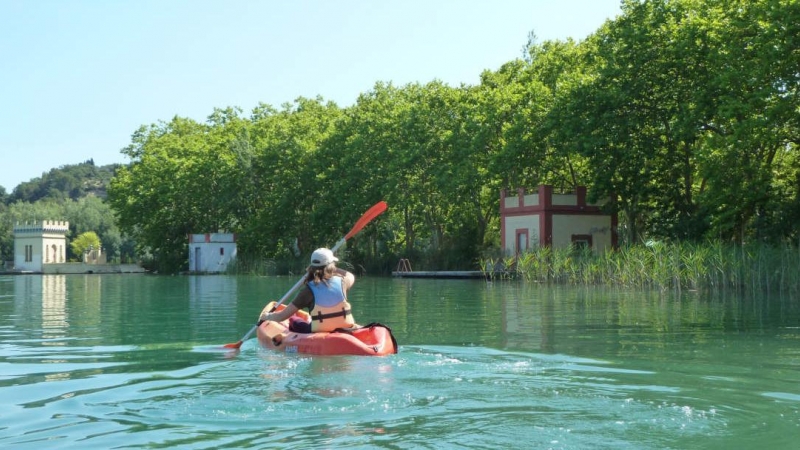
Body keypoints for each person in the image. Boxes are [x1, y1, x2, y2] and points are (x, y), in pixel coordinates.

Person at [259, 247, 356, 333]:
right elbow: (350, 275)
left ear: (312, 267)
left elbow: (281, 317)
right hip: (346, 327)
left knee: (293, 320)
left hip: (319, 331)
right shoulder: (343, 282)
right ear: (332, 266)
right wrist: (333, 268)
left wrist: (266, 316)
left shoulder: (307, 291)